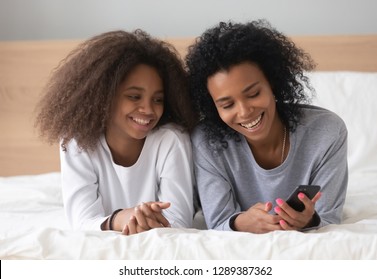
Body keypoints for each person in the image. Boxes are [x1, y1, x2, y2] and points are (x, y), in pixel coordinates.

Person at [185, 20, 348, 233]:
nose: (244, 112)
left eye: (253, 94)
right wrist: (241, 223)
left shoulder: (327, 133)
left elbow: (329, 220)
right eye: (227, 104)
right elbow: (218, 223)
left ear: (272, 82)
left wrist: (308, 222)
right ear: (213, 107)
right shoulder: (207, 142)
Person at [35, 29, 196, 235]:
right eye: (134, 97)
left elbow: (179, 222)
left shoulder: (171, 140)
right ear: (104, 95)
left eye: (158, 99)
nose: (148, 109)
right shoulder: (76, 141)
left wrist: (139, 218)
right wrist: (121, 218)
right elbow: (82, 222)